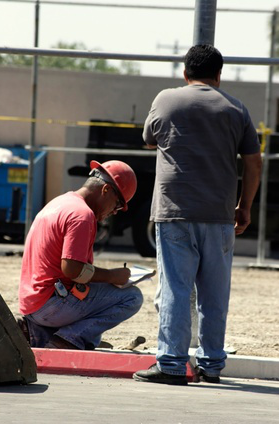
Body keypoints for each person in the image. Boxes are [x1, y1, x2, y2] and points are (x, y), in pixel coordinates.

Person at [133, 45, 262, 385]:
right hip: (220, 216)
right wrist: (244, 206)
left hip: (174, 210)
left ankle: (173, 364)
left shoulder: (165, 99)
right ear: (219, 75)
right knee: (214, 292)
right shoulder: (236, 108)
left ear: (185, 72)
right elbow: (253, 162)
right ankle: (211, 365)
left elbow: (149, 140)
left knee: (176, 287)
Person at [18, 159, 143, 350]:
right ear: (106, 191)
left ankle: (38, 334)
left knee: (92, 333)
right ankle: (68, 339)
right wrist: (112, 276)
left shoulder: (60, 203)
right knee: (132, 297)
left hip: (32, 304)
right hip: (50, 305)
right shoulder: (82, 215)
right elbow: (73, 270)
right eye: (117, 205)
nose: (115, 212)